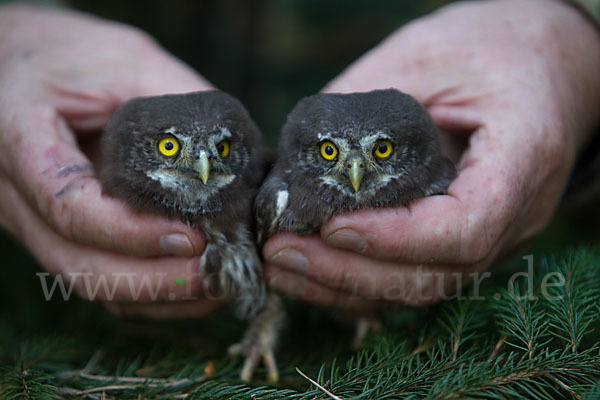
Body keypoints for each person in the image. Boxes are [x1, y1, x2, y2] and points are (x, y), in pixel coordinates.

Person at [0, 0, 598, 318]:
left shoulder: (424, 164)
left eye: (383, 153)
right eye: (335, 155)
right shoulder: (277, 197)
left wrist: (576, 38)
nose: (358, 171)